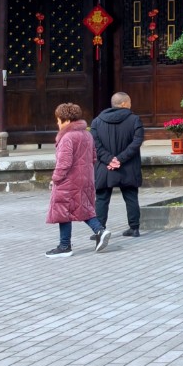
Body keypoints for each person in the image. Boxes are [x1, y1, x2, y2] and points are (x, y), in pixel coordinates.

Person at [46, 103, 111, 257]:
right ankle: (100, 230)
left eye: (58, 120)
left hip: (68, 181)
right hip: (86, 178)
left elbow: (64, 163)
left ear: (67, 120)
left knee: (63, 211)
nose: (57, 123)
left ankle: (65, 246)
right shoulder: (87, 135)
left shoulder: (67, 137)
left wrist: (55, 179)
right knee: (83, 208)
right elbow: (93, 157)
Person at [91, 91, 146, 238]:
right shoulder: (134, 120)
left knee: (102, 198)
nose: (131, 105)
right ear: (124, 104)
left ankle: (99, 230)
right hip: (128, 165)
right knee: (131, 196)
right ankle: (134, 228)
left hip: (105, 166)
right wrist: (120, 159)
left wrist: (110, 160)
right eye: (130, 102)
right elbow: (137, 142)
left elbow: (95, 145)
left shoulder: (97, 121)